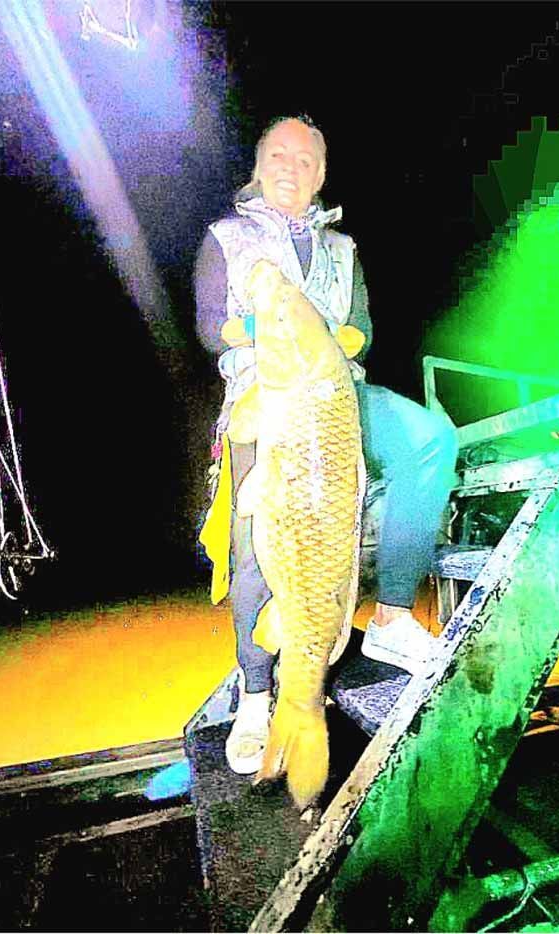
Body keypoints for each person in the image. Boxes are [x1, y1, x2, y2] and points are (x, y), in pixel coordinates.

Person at [194, 115, 458, 775]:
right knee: (256, 540)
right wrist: (277, 329)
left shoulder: (343, 249)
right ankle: (259, 694)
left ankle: (393, 614)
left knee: (429, 439)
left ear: (321, 173)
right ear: (259, 166)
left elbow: (362, 329)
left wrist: (340, 345)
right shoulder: (226, 238)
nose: (292, 165)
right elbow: (208, 329)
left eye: (306, 158)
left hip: (340, 399)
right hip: (268, 398)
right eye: (278, 155)